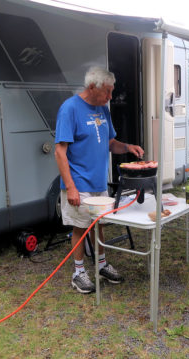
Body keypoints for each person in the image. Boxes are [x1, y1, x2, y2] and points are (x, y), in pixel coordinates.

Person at [54, 66, 144, 294]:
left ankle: (102, 265)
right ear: (92, 87)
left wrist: (127, 147)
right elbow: (60, 152)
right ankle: (78, 273)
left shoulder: (103, 110)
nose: (110, 97)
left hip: (98, 182)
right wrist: (71, 188)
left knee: (99, 225)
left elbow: (110, 142)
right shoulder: (70, 109)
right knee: (80, 227)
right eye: (107, 92)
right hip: (78, 183)